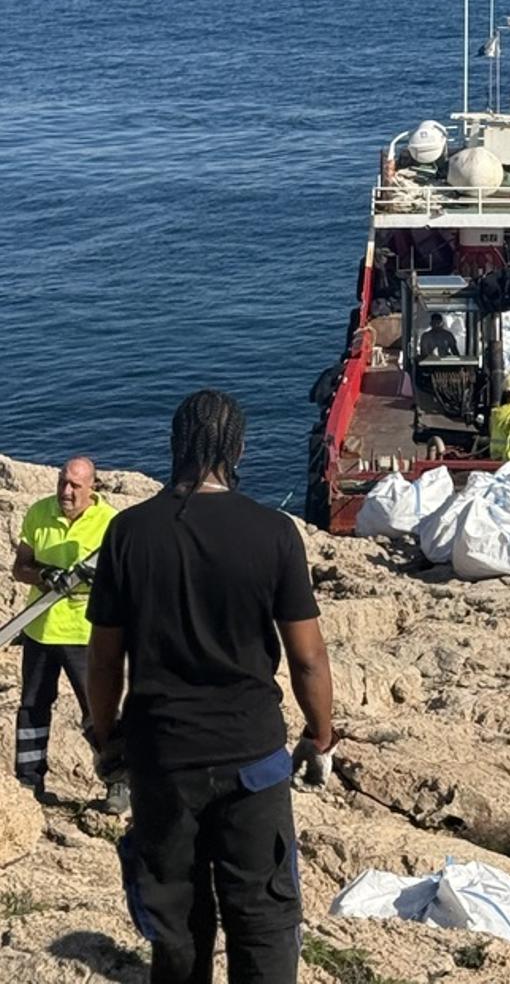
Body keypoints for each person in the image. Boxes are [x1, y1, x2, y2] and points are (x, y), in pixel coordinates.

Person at [86, 390, 335, 984]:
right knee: (264, 918)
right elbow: (308, 657)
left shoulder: (128, 532)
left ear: (176, 446)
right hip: (252, 756)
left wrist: (106, 734)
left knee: (175, 921)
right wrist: (320, 734)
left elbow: (104, 658)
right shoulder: (274, 532)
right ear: (238, 449)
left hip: (162, 756)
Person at [11, 456, 119, 808]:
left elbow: (123, 580)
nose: (66, 491)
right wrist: (44, 575)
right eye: (62, 482)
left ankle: (118, 782)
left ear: (92, 487)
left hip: (84, 634)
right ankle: (28, 781)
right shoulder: (39, 512)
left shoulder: (110, 522)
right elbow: (20, 568)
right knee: (32, 707)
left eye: (75, 485)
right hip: (40, 629)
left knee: (98, 710)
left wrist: (96, 579)